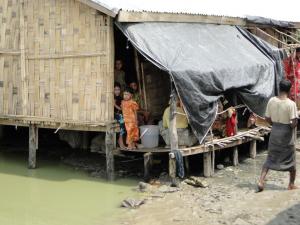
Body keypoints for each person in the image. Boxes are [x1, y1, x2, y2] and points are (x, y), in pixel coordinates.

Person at [257, 79, 298, 192]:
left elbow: (267, 118)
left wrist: (274, 125)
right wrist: (294, 124)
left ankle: (261, 181)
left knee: (270, 158)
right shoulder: (291, 104)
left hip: (275, 131)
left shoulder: (271, 101)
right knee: (291, 160)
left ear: (279, 88)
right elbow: (293, 123)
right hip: (286, 133)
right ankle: (291, 184)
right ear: (289, 90)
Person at [114, 82, 126, 149]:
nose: (117, 91)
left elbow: (122, 107)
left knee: (125, 120)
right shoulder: (112, 97)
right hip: (113, 114)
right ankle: (120, 140)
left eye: (118, 89)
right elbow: (115, 106)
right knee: (122, 121)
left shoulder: (121, 98)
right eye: (115, 90)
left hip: (120, 114)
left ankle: (122, 140)